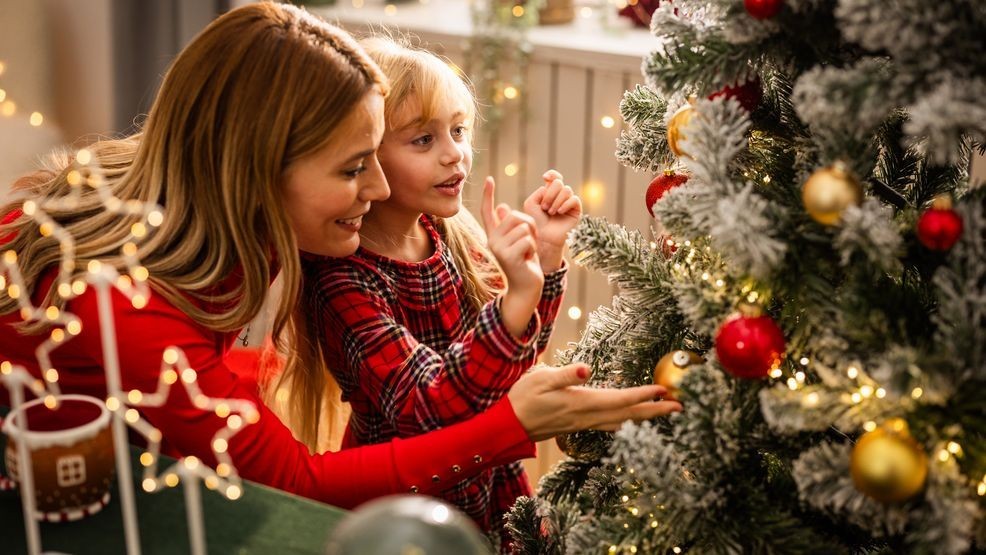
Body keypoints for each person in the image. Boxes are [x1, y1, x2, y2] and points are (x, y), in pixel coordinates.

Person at [0, 3, 681, 510]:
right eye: (356, 167)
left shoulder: (220, 216)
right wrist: (512, 425)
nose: (381, 189)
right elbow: (298, 483)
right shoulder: (130, 302)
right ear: (259, 169)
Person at [280, 36, 583, 544]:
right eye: (423, 140)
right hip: (409, 505)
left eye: (459, 131)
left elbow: (511, 363)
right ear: (366, 156)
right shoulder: (341, 280)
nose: (455, 154)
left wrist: (546, 261)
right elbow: (429, 405)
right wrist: (515, 300)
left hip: (492, 480)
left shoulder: (447, 233)